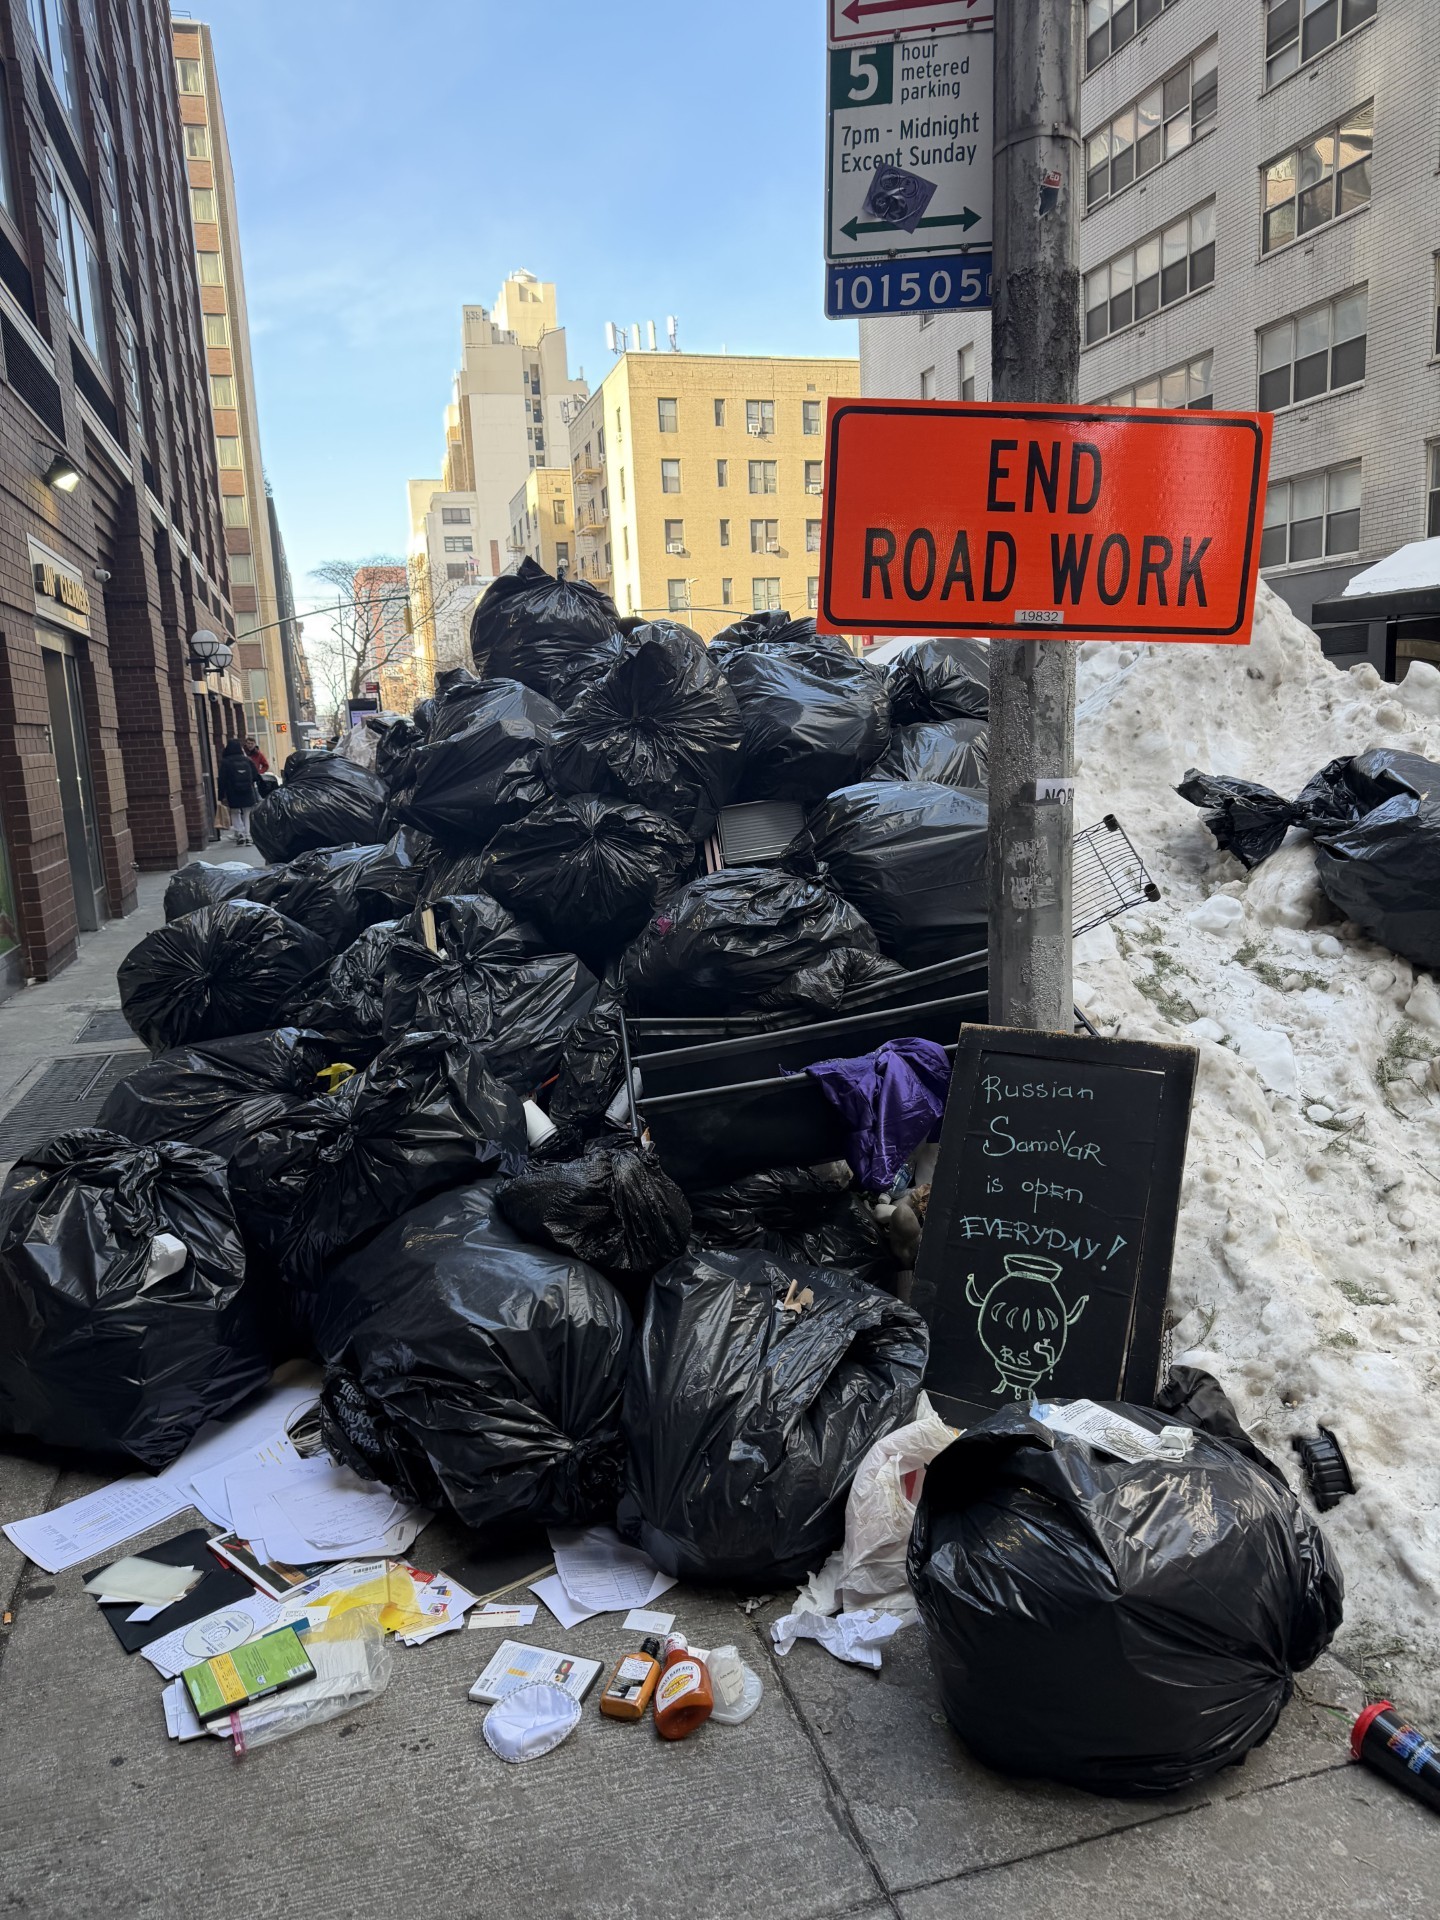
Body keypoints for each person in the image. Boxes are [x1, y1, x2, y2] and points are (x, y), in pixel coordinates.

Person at [218, 737, 261, 845]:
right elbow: (256, 775)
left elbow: (222, 780)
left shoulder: (226, 762)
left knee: (235, 812)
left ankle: (240, 833)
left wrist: (221, 795)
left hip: (233, 792)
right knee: (247, 813)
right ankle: (248, 836)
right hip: (247, 791)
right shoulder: (247, 760)